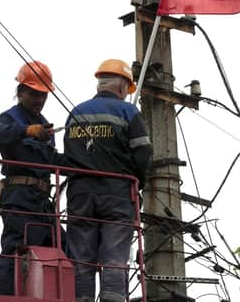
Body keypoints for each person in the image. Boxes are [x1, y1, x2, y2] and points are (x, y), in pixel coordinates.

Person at [64, 59, 152, 302]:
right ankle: (112, 299)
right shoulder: (128, 112)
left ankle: (81, 299)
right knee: (114, 256)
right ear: (123, 86)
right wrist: (138, 182)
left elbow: (69, 155)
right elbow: (143, 154)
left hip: (80, 193)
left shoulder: (76, 112)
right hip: (117, 193)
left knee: (81, 257)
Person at [0, 60, 61, 295]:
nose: (40, 100)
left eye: (43, 96)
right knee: (17, 250)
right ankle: (4, 298)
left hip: (42, 201)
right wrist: (25, 132)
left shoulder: (43, 125)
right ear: (21, 92)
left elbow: (51, 161)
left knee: (61, 245)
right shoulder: (10, 118)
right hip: (19, 198)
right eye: (35, 94)